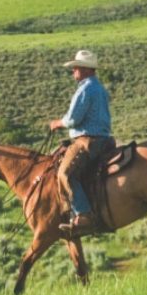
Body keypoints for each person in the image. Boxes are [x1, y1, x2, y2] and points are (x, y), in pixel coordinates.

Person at [48, 50, 114, 238]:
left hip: (87, 141)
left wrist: (57, 123)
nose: (73, 71)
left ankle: (84, 215)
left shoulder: (85, 89)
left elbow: (73, 120)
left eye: (75, 68)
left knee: (64, 173)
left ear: (85, 69)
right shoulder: (99, 88)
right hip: (105, 139)